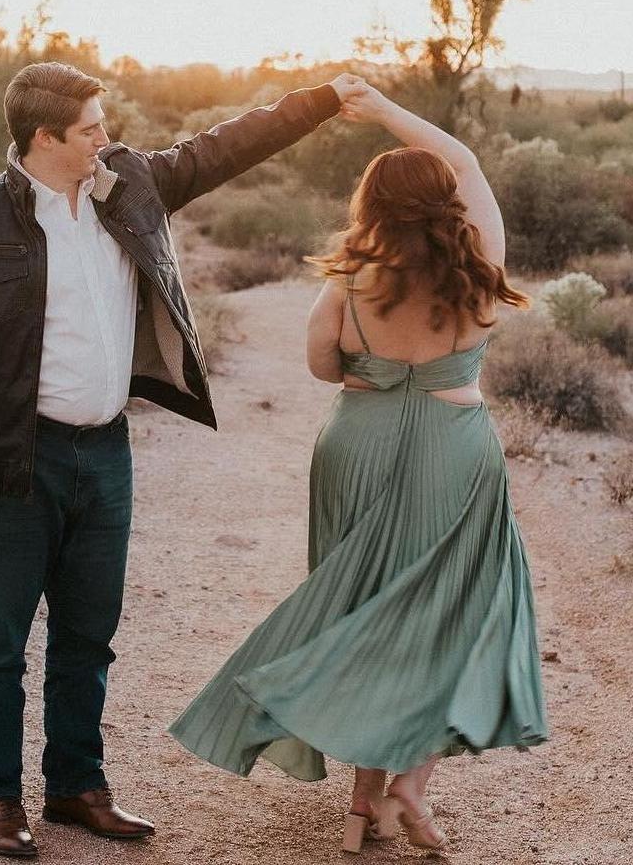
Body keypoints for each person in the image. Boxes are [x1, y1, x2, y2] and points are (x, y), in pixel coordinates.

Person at [0, 60, 365, 859]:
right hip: (13, 460)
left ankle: (77, 785)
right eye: (90, 129)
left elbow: (224, 147)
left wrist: (320, 102)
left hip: (105, 452)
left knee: (88, 634)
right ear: (43, 138)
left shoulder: (132, 185)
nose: (106, 139)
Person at [168, 81, 549, 853]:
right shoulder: (480, 268)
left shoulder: (349, 279)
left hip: (358, 445)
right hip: (454, 446)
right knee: (454, 614)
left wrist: (373, 370)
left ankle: (358, 809)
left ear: (371, 209)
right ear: (447, 206)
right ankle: (409, 784)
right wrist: (380, 107)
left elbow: (320, 365)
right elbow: (465, 157)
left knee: (361, 611)